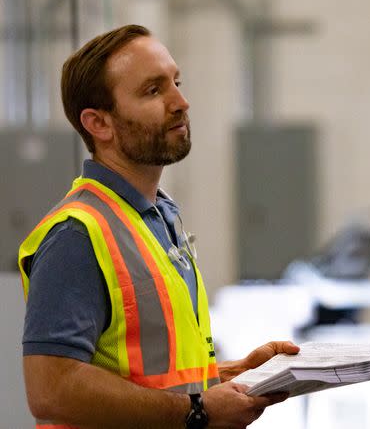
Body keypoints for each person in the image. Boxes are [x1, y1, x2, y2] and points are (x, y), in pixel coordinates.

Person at [18, 24, 300, 429]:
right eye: (153, 90)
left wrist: (232, 379)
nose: (181, 102)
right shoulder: (77, 234)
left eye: (176, 82)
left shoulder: (158, 218)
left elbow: (152, 379)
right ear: (99, 123)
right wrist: (198, 411)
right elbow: (51, 390)